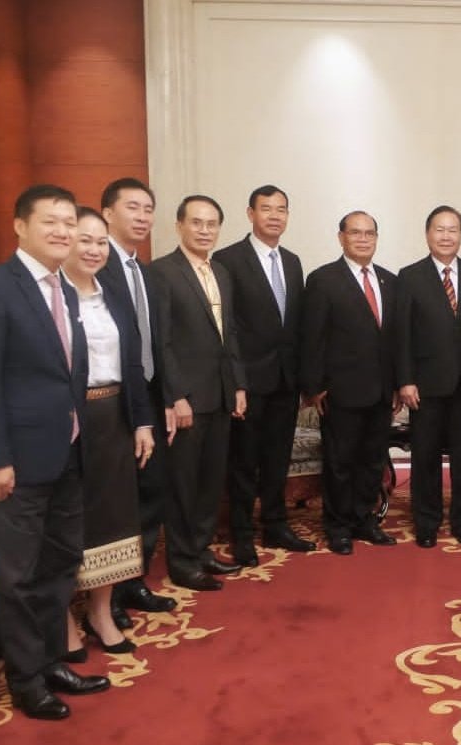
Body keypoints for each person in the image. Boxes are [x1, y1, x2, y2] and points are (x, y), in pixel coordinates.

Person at [0, 184, 110, 720]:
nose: (63, 232)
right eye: (51, 221)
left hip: (66, 454)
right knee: (18, 576)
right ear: (20, 225)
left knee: (59, 564)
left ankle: (51, 661)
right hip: (16, 462)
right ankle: (25, 681)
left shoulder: (65, 291)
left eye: (70, 222)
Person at [60, 207, 154, 659]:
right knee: (67, 521)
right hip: (68, 423)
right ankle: (62, 620)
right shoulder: (51, 297)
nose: (95, 249)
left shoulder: (114, 294)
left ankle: (100, 611)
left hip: (114, 417)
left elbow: (133, 364)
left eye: (101, 242)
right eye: (85, 240)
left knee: (114, 519)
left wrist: (142, 421)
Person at [212, 185, 316, 567]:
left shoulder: (292, 261)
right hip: (249, 382)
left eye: (281, 209)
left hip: (285, 381)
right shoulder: (227, 259)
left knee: (276, 458)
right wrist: (236, 381)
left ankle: (276, 524)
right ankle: (242, 533)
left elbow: (297, 325)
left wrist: (305, 380)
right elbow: (228, 329)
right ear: (250, 213)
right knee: (243, 462)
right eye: (267, 209)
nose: (275, 216)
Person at [150, 195, 247, 591]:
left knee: (210, 481)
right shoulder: (162, 272)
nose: (205, 230)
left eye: (212, 224)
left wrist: (239, 385)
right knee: (183, 484)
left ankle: (203, 549)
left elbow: (230, 336)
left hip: (221, 394)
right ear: (179, 226)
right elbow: (163, 342)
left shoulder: (221, 272)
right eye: (197, 223)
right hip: (188, 398)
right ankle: (182, 560)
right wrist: (176, 396)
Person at [98, 177, 178, 622]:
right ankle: (105, 597)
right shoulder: (93, 265)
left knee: (150, 491)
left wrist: (165, 398)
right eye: (134, 207)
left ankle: (134, 582)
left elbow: (158, 344)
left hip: (148, 394)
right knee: (115, 501)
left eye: (149, 209)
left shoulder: (146, 273)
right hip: (109, 401)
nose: (143, 217)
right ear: (108, 212)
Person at [397, 206, 461, 547]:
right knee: (424, 457)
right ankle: (426, 523)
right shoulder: (410, 276)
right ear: (427, 234)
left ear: (460, 235)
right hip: (424, 386)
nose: (445, 236)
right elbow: (403, 334)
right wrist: (406, 379)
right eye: (439, 229)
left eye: (452, 230)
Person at [300, 211, 399, 555]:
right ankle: (338, 525)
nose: (363, 239)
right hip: (339, 392)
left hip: (381, 391)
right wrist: (314, 387)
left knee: (372, 461)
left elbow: (395, 339)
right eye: (355, 233)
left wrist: (399, 384)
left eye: (369, 233)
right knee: (340, 462)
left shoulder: (389, 280)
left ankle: (364, 519)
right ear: (341, 237)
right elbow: (312, 338)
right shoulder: (323, 280)